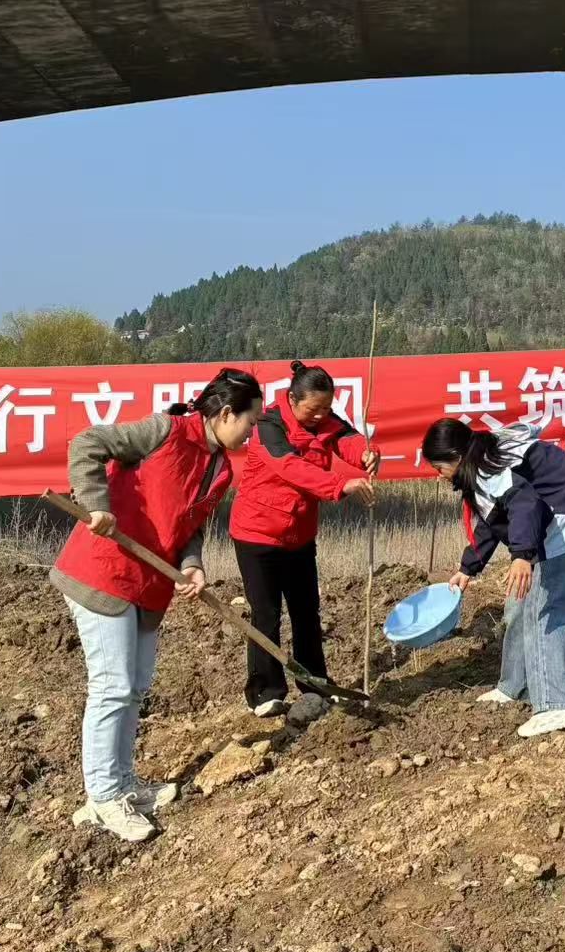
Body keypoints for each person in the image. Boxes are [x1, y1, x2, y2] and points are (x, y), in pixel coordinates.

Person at [49, 368, 264, 842]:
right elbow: (88, 442)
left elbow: (191, 527)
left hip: (149, 586)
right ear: (227, 414)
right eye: (250, 422)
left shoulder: (221, 469)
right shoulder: (164, 431)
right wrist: (97, 503)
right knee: (112, 685)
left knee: (136, 687)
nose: (251, 433)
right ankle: (104, 798)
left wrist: (192, 565)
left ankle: (124, 783)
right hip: (103, 571)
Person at [425, 418, 565, 739]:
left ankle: (558, 703)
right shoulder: (480, 460)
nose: (438, 475)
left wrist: (521, 556)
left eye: (439, 467)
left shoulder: (490, 469)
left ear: (457, 458)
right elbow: (493, 519)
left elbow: (526, 505)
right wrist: (468, 567)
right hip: (547, 527)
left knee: (545, 610)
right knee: (518, 605)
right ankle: (515, 685)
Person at [228, 360, 378, 719]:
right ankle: (266, 692)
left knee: (307, 612)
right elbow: (291, 468)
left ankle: (315, 685)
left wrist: (366, 454)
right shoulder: (268, 425)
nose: (320, 415)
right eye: (313, 409)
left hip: (299, 535)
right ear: (293, 400)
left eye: (326, 408)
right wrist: (341, 484)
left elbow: (347, 438)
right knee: (266, 614)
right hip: (258, 534)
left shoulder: (326, 420)